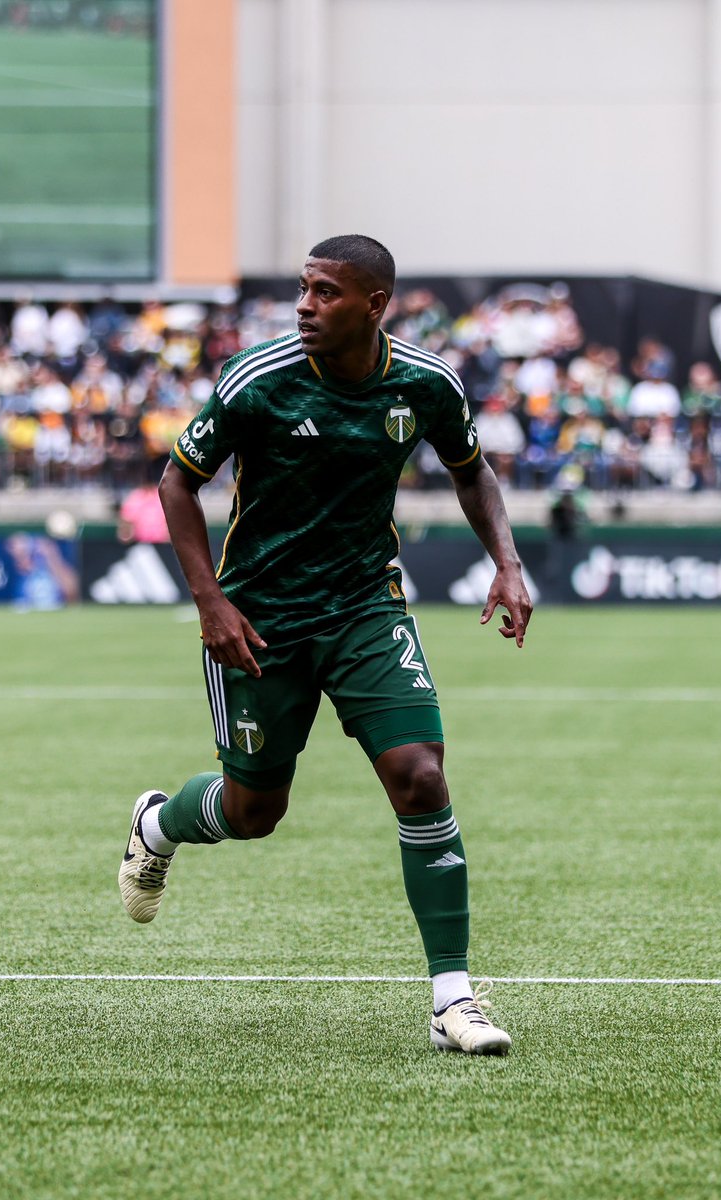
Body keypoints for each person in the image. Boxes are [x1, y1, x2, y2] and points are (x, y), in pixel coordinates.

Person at [118, 235, 533, 1055]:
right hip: (259, 620)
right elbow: (177, 483)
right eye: (304, 289)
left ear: (374, 305)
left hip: (365, 610)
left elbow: (470, 467)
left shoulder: (425, 382)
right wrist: (212, 603)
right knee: (254, 811)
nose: (305, 305)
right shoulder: (257, 381)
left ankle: (453, 1000)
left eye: (326, 292)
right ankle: (160, 824)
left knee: (420, 776)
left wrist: (508, 563)